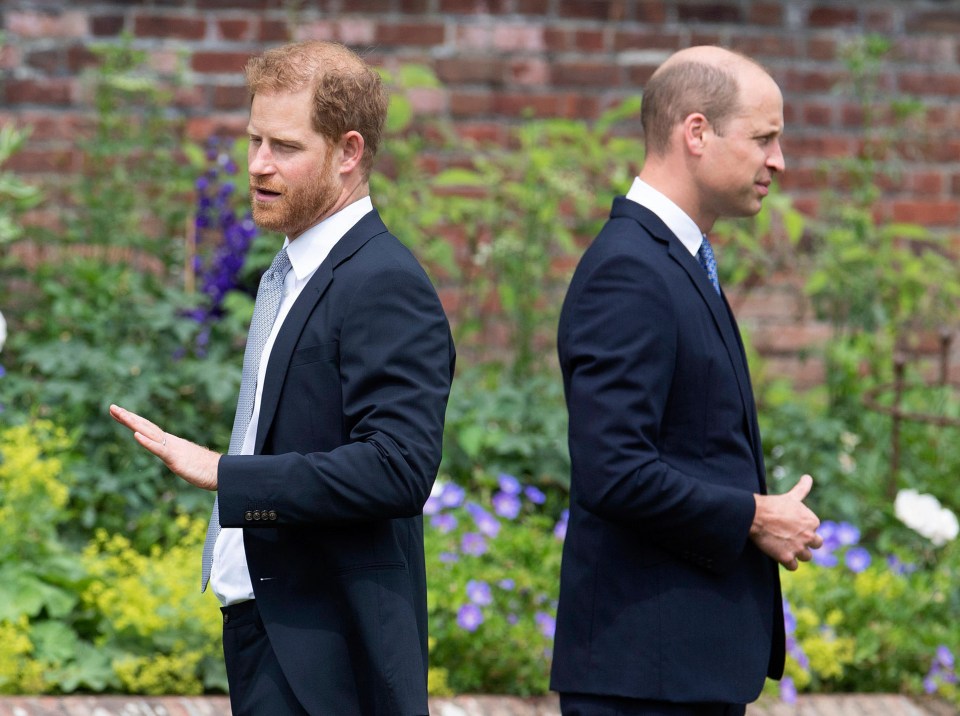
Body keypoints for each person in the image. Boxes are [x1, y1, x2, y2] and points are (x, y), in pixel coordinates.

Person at [110, 40, 455, 716]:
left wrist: (229, 475)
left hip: (329, 659)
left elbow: (399, 469)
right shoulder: (296, 269)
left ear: (349, 152)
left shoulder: (382, 280)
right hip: (271, 632)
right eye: (254, 140)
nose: (259, 166)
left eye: (286, 147)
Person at [549, 46, 823, 716]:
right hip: (645, 679)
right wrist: (755, 514)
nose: (778, 162)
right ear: (695, 133)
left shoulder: (674, 260)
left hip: (674, 672)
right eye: (764, 139)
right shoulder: (631, 272)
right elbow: (612, 469)